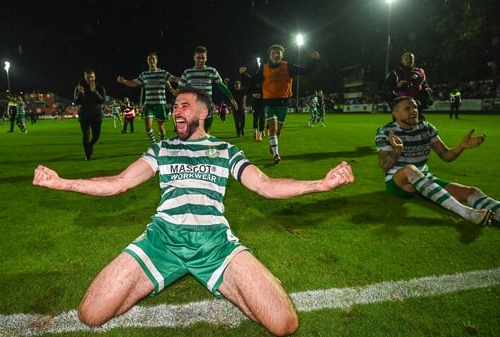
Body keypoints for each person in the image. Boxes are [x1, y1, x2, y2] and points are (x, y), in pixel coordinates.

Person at [32, 87, 355, 336]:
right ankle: (161, 277)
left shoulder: (226, 150)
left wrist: (320, 184)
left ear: (204, 111)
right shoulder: (162, 148)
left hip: (215, 244)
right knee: (91, 314)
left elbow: (265, 185)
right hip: (162, 241)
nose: (176, 112)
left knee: (284, 324)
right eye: (174, 107)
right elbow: (119, 183)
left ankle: (226, 280)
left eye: (184, 106)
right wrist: (62, 183)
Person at [375, 96, 499, 226]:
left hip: (424, 179)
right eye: (407, 108)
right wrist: (398, 150)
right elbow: (384, 167)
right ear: (395, 114)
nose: (414, 111)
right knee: (409, 169)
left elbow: (445, 155)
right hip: (399, 183)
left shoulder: (426, 128)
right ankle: (467, 213)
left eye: (415, 107)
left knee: (471, 192)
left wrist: (461, 147)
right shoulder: (387, 132)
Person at [240, 44, 319, 164]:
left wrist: (314, 61)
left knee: (278, 130)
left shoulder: (288, 66)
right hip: (269, 102)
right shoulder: (264, 68)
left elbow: (305, 71)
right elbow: (254, 80)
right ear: (270, 56)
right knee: (272, 127)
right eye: (273, 53)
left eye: (278, 53)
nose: (276, 55)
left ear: (282, 55)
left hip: (283, 103)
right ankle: (276, 154)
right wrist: (243, 74)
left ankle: (273, 144)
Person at [117, 52, 179, 143]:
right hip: (149, 104)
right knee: (148, 127)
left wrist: (185, 79)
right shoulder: (144, 74)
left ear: (156, 61)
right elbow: (134, 83)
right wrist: (123, 81)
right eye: (149, 59)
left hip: (160, 104)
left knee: (160, 127)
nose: (151, 60)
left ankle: (161, 141)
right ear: (147, 61)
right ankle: (154, 144)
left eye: (153, 59)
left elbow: (173, 78)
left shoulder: (163, 73)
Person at [178, 45, 238, 134]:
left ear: (206, 58)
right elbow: (180, 89)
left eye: (203, 58)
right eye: (198, 58)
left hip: (207, 107)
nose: (201, 60)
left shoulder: (211, 71)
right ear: (194, 58)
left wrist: (231, 98)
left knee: (206, 133)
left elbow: (221, 85)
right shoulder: (187, 72)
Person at [383, 52, 434, 119]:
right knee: (402, 126)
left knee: (419, 126)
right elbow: (386, 89)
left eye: (411, 59)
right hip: (401, 106)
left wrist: (428, 96)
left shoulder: (420, 72)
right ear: (401, 60)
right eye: (406, 59)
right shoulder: (394, 73)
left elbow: (425, 86)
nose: (409, 60)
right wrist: (396, 86)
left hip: (416, 104)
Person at [74, 68, 106, 161]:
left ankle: (90, 145)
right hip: (84, 116)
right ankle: (87, 156)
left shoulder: (100, 87)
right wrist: (80, 93)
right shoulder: (79, 87)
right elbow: (76, 102)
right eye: (88, 77)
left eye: (91, 77)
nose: (90, 79)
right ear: (84, 77)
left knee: (96, 136)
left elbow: (102, 100)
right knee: (86, 136)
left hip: (96, 116)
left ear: (94, 77)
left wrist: (94, 91)